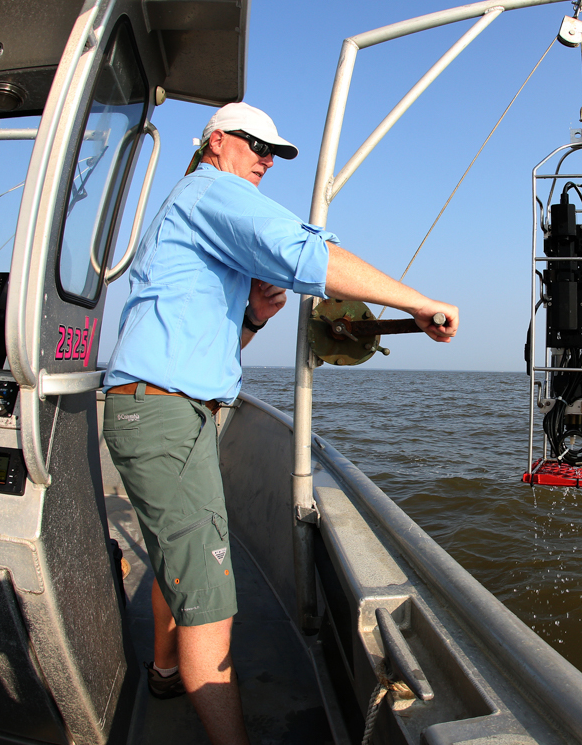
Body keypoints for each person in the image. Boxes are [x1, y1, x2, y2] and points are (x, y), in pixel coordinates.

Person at [101, 102, 458, 745]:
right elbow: (306, 254)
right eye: (256, 145)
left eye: (275, 153)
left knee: (175, 559)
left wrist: (255, 320)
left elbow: (203, 345)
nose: (267, 160)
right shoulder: (214, 190)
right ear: (216, 143)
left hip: (161, 406)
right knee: (210, 600)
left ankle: (161, 670)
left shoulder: (192, 209)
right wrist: (418, 301)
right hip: (165, 415)